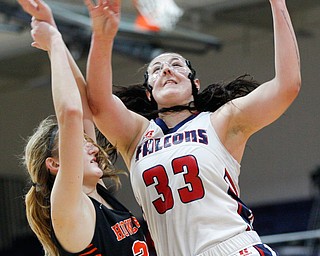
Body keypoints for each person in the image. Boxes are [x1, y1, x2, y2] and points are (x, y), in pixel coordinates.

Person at [85, 0, 301, 255]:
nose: (166, 69)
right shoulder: (135, 135)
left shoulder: (221, 121)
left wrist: (278, 5)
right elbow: (98, 103)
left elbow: (287, 86)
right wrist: (101, 35)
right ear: (149, 94)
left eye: (176, 65)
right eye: (156, 70)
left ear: (194, 84)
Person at [18, 0, 150, 255]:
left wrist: (52, 29)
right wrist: (53, 42)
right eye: (81, 145)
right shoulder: (69, 207)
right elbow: (71, 113)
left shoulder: (95, 193)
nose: (94, 149)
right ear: (55, 164)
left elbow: (84, 106)